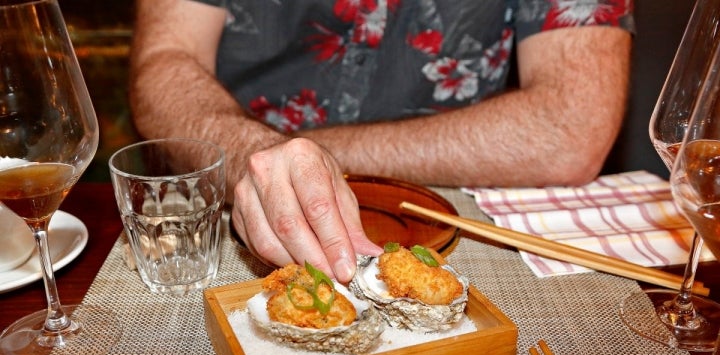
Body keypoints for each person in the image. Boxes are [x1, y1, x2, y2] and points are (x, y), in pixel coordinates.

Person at [129, 0, 634, 283]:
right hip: (230, 192)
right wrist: (251, 154)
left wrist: (313, 156)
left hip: (462, 205)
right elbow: (166, 59)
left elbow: (571, 127)